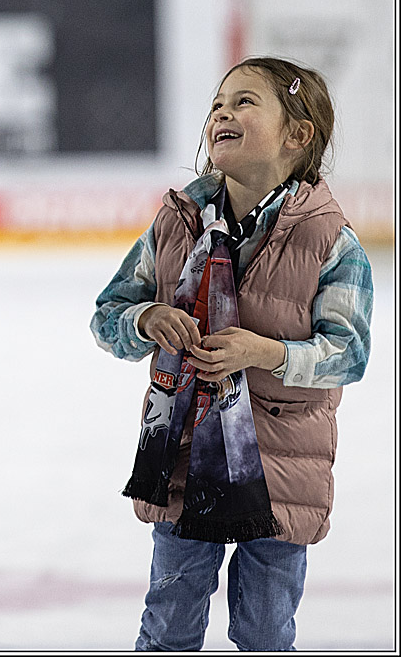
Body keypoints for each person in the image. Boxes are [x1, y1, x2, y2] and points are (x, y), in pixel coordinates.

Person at [90, 57, 373, 651]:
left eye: (245, 102)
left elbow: (347, 354)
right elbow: (107, 316)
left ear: (298, 135)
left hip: (279, 470)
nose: (222, 111)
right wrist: (146, 318)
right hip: (183, 457)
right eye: (219, 102)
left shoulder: (332, 242)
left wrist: (264, 352)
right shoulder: (175, 224)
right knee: (170, 618)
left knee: (265, 628)